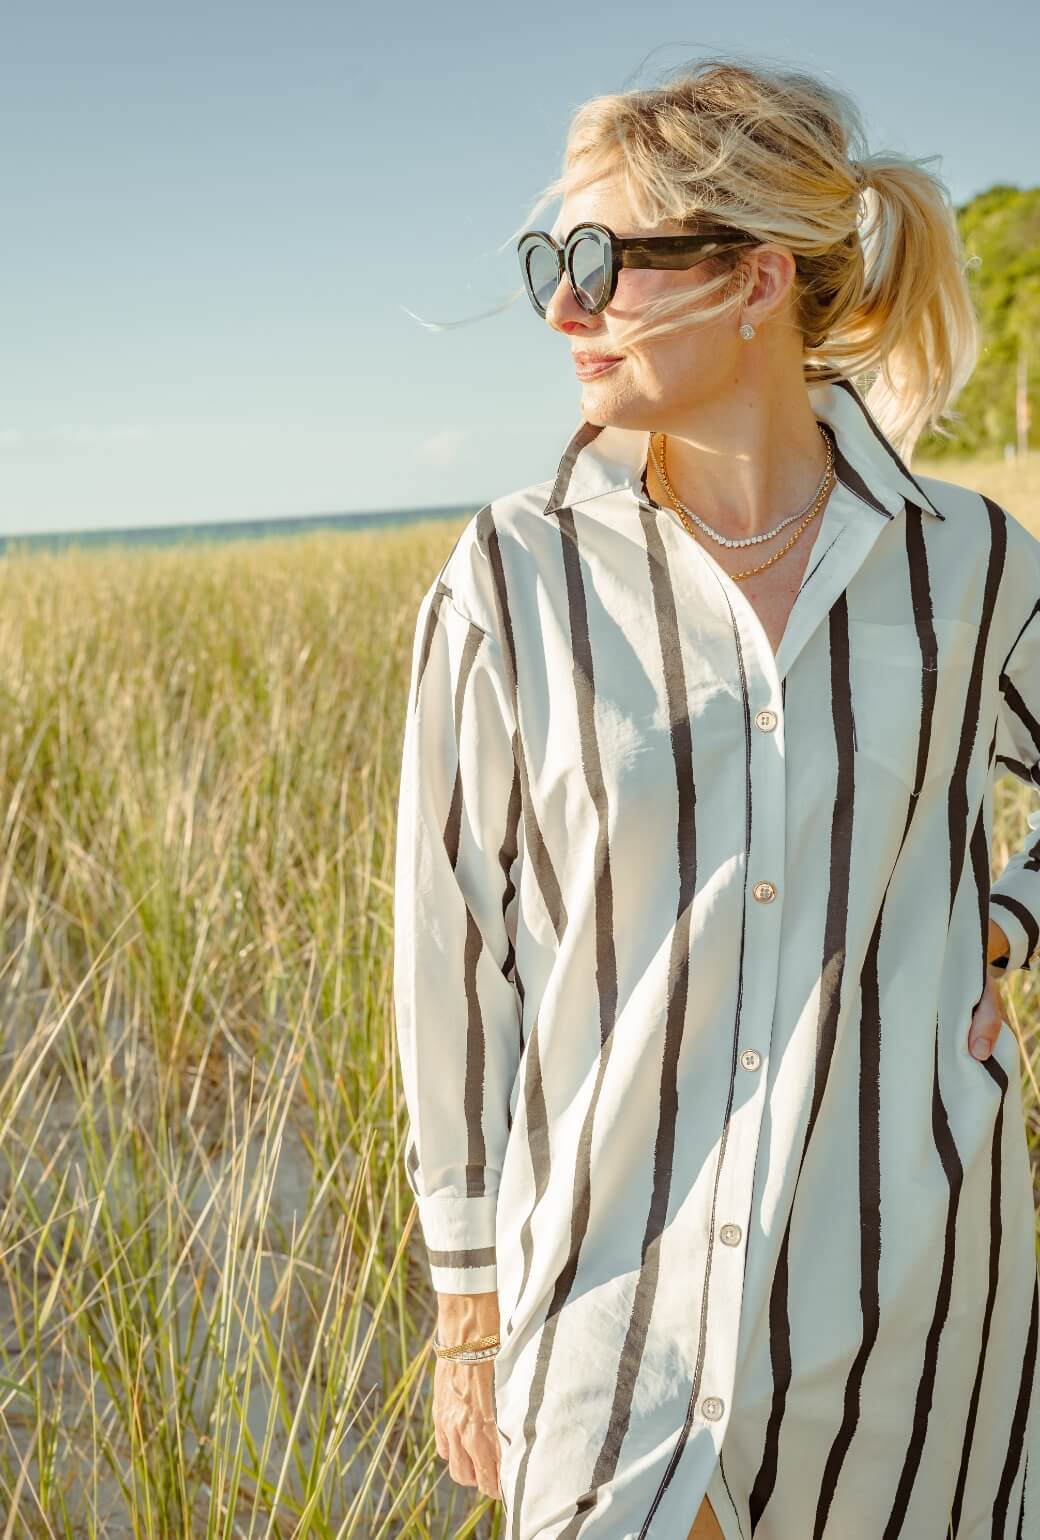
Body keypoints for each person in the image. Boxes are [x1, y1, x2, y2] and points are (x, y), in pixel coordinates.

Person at [392, 54, 1040, 1540]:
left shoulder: (972, 564)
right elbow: (453, 956)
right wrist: (470, 1304)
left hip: (910, 1340)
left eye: (602, 261)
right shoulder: (512, 579)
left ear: (753, 279)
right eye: (550, 260)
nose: (564, 306)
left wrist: (1005, 926)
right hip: (608, 1331)